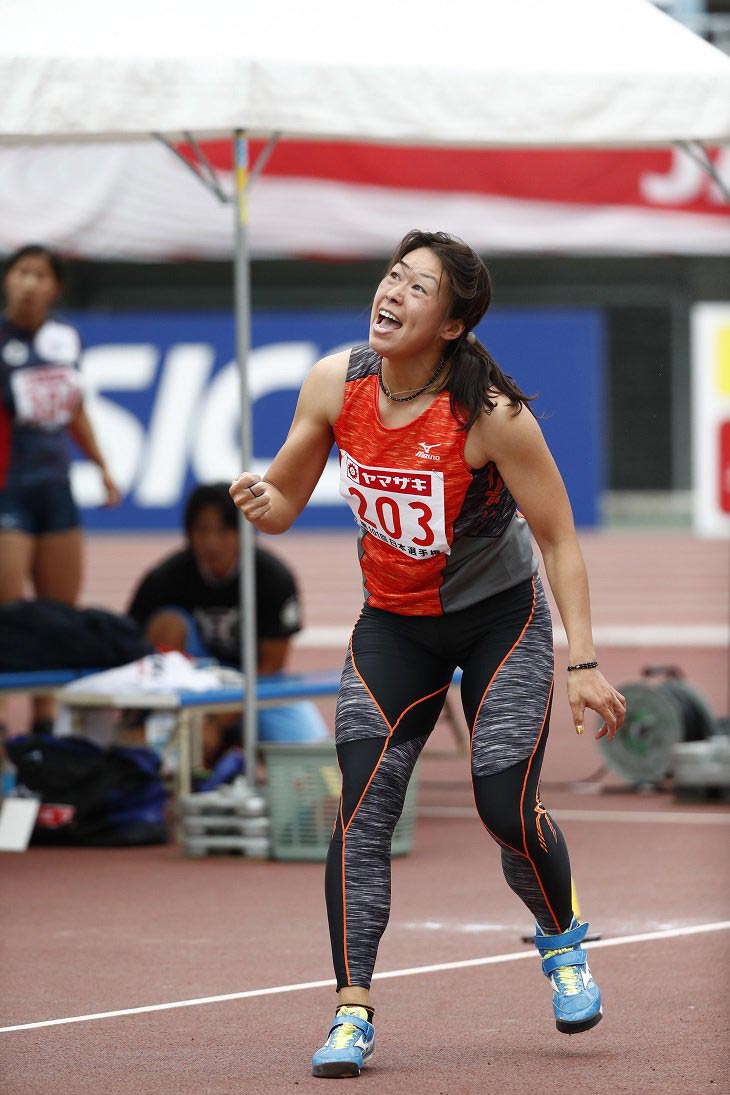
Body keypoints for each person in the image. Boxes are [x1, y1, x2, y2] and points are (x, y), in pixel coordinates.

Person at [230, 229, 627, 1079]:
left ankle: (562, 945)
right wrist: (262, 500)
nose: (393, 293)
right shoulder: (337, 384)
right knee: (360, 812)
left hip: (497, 620)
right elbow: (285, 501)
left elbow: (558, 541)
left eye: (418, 287)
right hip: (393, 625)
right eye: (392, 276)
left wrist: (584, 661)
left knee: (502, 805)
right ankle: (352, 1012)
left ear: (451, 324)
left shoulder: (491, 417)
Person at [0, 243, 120, 733]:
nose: (29, 284)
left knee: (58, 615)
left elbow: (75, 410)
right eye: (21, 273)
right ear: (8, 281)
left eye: (40, 275)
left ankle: (47, 718)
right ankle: (4, 717)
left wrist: (102, 466)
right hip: (8, 491)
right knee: (8, 615)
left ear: (55, 288)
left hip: (56, 489)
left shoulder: (66, 341)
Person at [127, 481, 328, 767]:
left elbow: (272, 664)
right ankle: (163, 739)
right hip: (191, 681)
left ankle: (228, 744)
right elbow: (134, 647)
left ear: (243, 532)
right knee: (167, 624)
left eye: (224, 530)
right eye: (202, 530)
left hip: (257, 683)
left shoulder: (273, 578)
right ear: (189, 533)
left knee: (314, 759)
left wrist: (217, 722)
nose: (212, 542)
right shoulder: (164, 579)